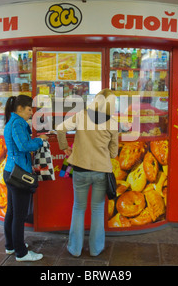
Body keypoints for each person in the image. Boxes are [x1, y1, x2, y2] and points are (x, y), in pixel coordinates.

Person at [56, 89, 119, 257]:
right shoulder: (112, 123)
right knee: (97, 209)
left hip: (80, 170)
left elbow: (60, 129)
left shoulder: (82, 116)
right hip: (101, 171)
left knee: (78, 208)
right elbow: (114, 154)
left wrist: (64, 148)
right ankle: (96, 249)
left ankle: (75, 249)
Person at [3, 95, 48, 261]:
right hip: (19, 174)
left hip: (11, 171)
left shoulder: (13, 122)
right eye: (29, 109)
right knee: (19, 215)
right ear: (20, 108)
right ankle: (21, 253)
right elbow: (24, 146)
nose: (31, 113)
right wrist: (39, 140)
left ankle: (11, 245)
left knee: (12, 212)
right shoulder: (17, 124)